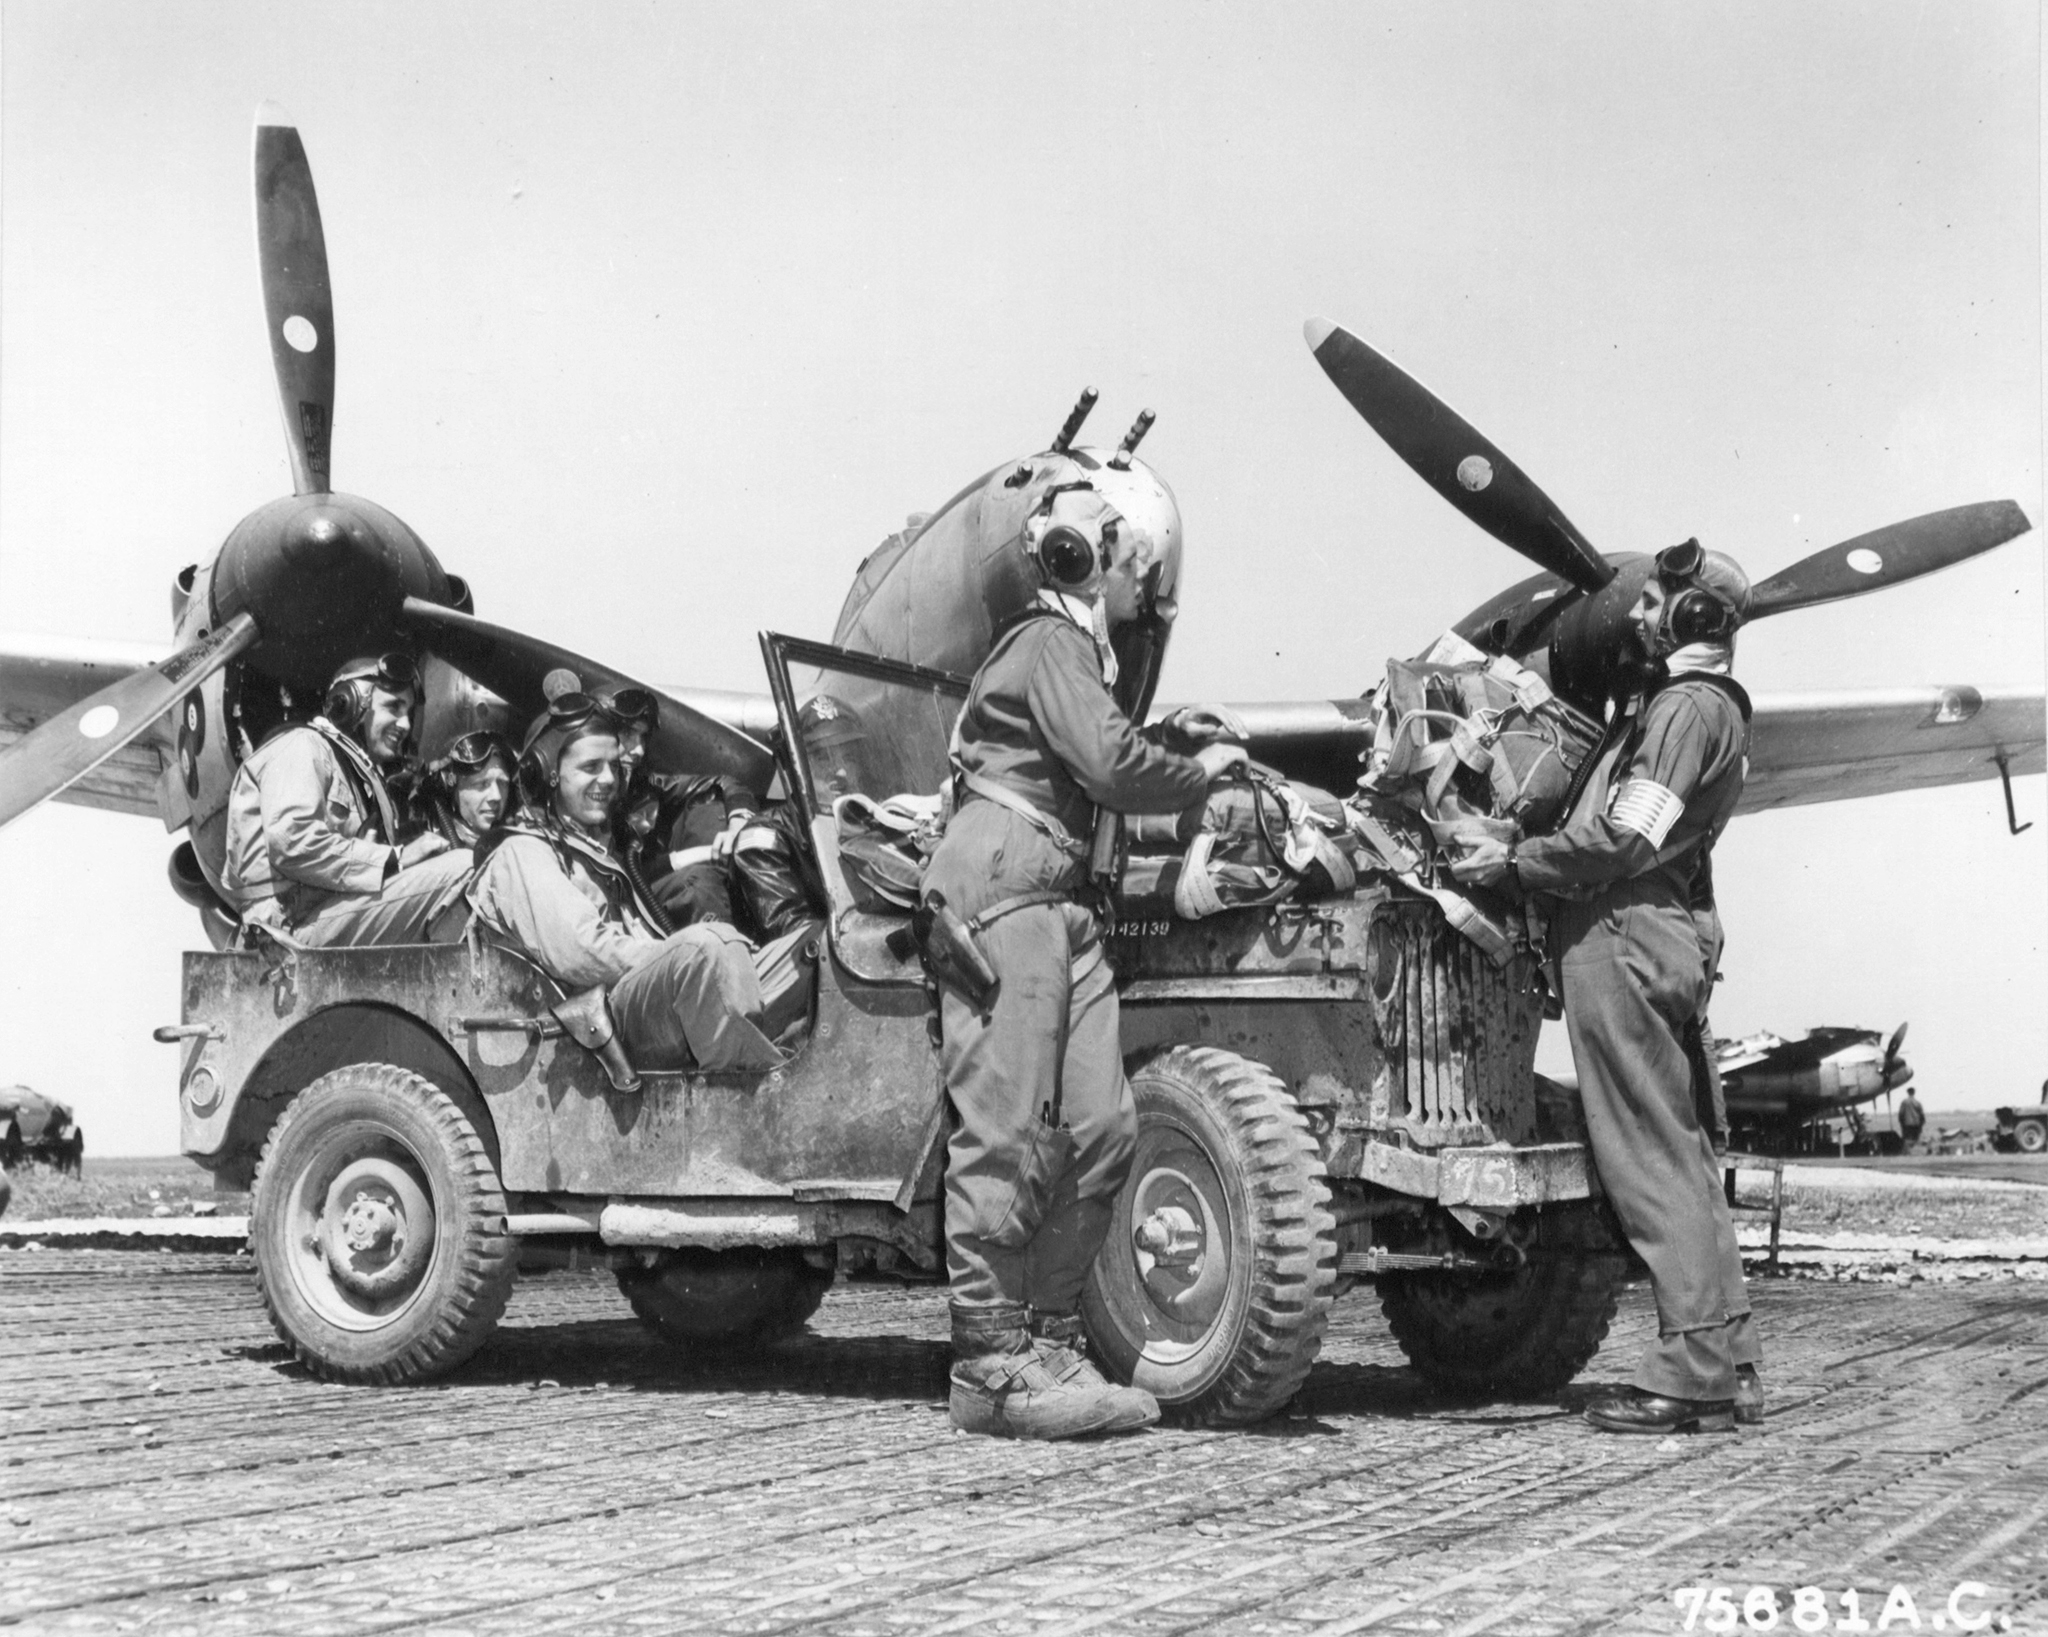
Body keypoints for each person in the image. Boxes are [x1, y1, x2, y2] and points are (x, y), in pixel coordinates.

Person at [924, 483, 1248, 1440]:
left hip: (1059, 895)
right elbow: (1106, 763)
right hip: (1008, 881)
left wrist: (1164, 746)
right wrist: (1196, 776)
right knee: (1009, 1129)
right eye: (1128, 562)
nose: (1139, 583)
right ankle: (990, 1362)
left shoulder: (1073, 659)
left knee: (1103, 1126)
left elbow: (1097, 756)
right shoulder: (1049, 641)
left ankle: (1051, 1339)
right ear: (1098, 561)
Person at [1453, 540, 1763, 1435]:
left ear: (1696, 615)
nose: (1636, 613)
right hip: (1649, 933)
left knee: (1646, 1159)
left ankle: (1692, 1372)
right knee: (1682, 1153)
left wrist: (1515, 859)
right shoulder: (1697, 707)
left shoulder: (1685, 709)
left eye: (1654, 601)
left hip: (1622, 936)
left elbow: (1627, 838)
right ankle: (1728, 1359)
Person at [468, 695, 812, 1073]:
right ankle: (767, 1087)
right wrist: (683, 954)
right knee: (706, 947)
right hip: (601, 1023)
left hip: (646, 998)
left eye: (613, 766)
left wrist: (727, 958)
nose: (609, 779)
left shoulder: (598, 852)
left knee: (817, 946)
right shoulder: (522, 852)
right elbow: (580, 953)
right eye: (590, 767)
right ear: (547, 774)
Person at [221, 653, 473, 946]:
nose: (405, 724)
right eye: (393, 707)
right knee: (463, 868)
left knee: (471, 868)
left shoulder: (362, 780)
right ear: (350, 705)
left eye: (409, 713)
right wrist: (397, 858)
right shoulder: (302, 745)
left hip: (325, 916)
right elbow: (292, 843)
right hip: (288, 927)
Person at [417, 730, 518, 847]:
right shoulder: (419, 840)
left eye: (502, 783)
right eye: (482, 784)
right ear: (451, 787)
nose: (496, 796)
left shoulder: (518, 842)